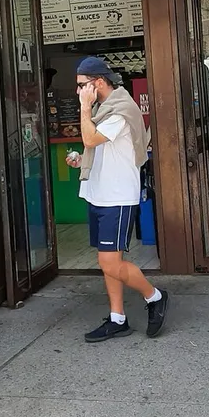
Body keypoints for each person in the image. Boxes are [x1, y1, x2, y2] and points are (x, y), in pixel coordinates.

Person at [66, 56, 169, 342]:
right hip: (99, 193)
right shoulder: (104, 107)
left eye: (82, 86)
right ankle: (117, 317)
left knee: (110, 263)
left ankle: (155, 296)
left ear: (99, 82)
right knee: (108, 261)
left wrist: (85, 108)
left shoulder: (120, 110)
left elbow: (90, 139)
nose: (79, 92)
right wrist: (79, 161)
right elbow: (94, 147)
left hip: (116, 197)